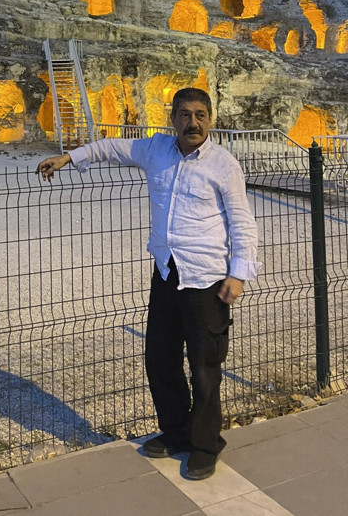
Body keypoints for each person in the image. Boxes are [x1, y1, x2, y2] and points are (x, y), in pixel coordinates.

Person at [36, 87, 260, 480]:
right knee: (160, 358)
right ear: (172, 118)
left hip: (206, 278)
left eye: (201, 114)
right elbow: (111, 148)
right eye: (185, 114)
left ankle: (206, 445)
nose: (193, 122)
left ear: (211, 119)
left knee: (205, 367)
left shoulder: (224, 165)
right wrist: (69, 157)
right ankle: (175, 433)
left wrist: (238, 274)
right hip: (166, 272)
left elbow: (243, 223)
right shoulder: (155, 149)